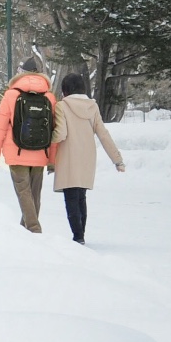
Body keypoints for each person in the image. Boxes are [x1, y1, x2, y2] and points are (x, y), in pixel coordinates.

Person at [51, 72, 125, 244]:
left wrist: (48, 140)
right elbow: (103, 135)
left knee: (70, 197)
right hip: (87, 156)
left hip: (68, 156)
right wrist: (117, 160)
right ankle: (81, 235)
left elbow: (61, 134)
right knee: (81, 196)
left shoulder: (62, 106)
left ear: (65, 90)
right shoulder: (93, 107)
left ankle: (78, 237)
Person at [0, 58, 59, 233]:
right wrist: (52, 159)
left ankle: (34, 228)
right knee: (34, 193)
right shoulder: (49, 97)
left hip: (16, 152)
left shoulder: (11, 95)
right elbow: (54, 130)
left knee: (23, 191)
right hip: (40, 151)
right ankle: (26, 229)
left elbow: (0, 126)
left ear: (21, 73)